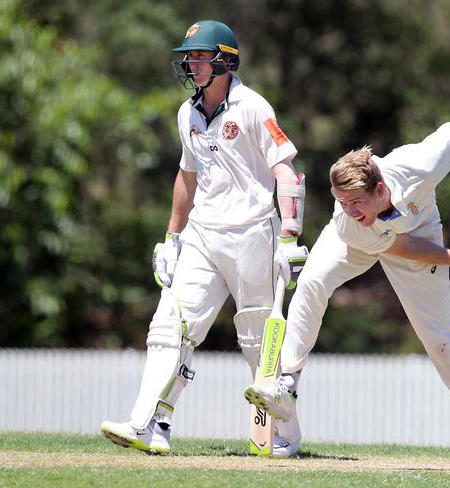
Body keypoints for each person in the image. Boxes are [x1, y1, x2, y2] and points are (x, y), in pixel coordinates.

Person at [245, 66, 450, 468]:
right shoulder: (349, 220)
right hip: (359, 242)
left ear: (380, 189)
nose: (347, 209)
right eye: (340, 202)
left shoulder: (419, 165)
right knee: (311, 282)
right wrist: (354, 214)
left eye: (355, 202)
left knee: (439, 338)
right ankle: (286, 386)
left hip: (419, 235)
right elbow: (387, 242)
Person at [100, 20, 310, 457]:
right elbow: (187, 176)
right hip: (203, 234)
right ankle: (150, 423)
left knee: (257, 339)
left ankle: (283, 430)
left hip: (255, 232)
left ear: (225, 60)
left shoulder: (253, 107)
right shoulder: (187, 113)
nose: (190, 63)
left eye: (198, 56)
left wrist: (290, 235)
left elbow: (286, 171)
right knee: (169, 328)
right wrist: (172, 237)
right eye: (188, 57)